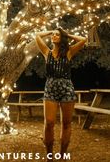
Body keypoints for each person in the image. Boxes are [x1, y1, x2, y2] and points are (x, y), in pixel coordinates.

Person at [35, 28, 87, 160]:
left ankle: (62, 155)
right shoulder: (47, 52)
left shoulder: (68, 52)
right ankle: (49, 155)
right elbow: (37, 35)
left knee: (66, 123)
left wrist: (66, 33)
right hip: (50, 88)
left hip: (66, 89)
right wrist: (50, 31)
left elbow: (83, 40)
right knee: (49, 123)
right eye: (53, 34)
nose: (54, 36)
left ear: (62, 38)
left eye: (57, 35)